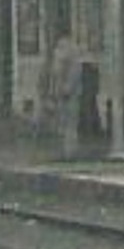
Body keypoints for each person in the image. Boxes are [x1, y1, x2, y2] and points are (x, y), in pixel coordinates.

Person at [43, 30, 85, 161]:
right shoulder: (62, 57)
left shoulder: (71, 57)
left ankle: (69, 152)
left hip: (68, 96)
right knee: (61, 125)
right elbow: (54, 77)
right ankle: (64, 152)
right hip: (61, 95)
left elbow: (70, 75)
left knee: (69, 125)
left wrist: (64, 89)